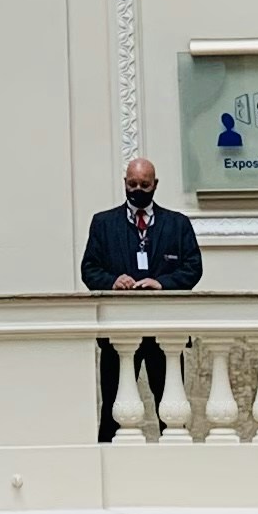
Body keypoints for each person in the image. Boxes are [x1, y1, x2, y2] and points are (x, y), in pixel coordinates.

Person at [81, 153, 203, 439]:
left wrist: (161, 283)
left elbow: (193, 268)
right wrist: (113, 281)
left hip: (165, 331)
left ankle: (175, 464)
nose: (137, 190)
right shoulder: (103, 223)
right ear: (124, 183)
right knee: (113, 406)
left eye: (144, 185)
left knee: (171, 408)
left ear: (155, 185)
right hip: (119, 331)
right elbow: (89, 270)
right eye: (132, 184)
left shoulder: (177, 224)